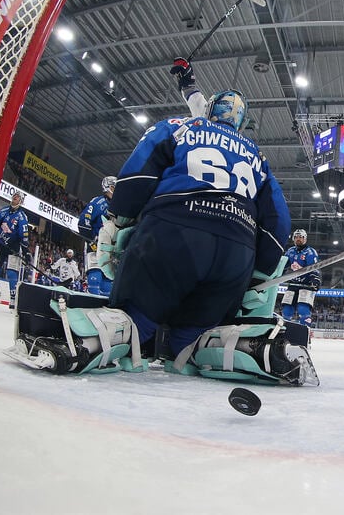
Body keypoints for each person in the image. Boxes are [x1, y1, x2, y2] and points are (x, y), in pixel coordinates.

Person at [104, 59, 293, 365]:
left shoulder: (179, 128)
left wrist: (120, 217)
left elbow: (138, 174)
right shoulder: (258, 156)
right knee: (192, 337)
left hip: (173, 233)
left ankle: (112, 343)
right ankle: (199, 352)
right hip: (235, 252)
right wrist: (261, 266)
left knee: (135, 316)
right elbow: (278, 220)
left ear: (209, 110)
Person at [0, 191, 29, 308]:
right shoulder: (3, 211)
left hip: (13, 248)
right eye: (14, 197)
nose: (15, 199)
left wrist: (26, 252)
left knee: (11, 273)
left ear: (21, 201)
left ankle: (13, 298)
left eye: (17, 198)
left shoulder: (22, 216)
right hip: (0, 245)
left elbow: (24, 236)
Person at [78, 176, 117, 296]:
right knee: (95, 279)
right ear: (109, 187)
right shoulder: (98, 202)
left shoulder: (119, 208)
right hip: (96, 247)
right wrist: (91, 240)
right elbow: (83, 223)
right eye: (115, 187)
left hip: (111, 251)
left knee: (109, 285)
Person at [280, 229, 321, 326]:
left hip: (306, 285)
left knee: (303, 309)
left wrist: (315, 280)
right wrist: (277, 275)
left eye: (301, 237)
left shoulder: (310, 252)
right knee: (286, 311)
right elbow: (283, 266)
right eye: (296, 237)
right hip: (293, 284)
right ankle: (285, 331)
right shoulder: (290, 251)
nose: (298, 239)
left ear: (305, 239)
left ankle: (305, 331)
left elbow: (314, 268)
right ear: (293, 239)